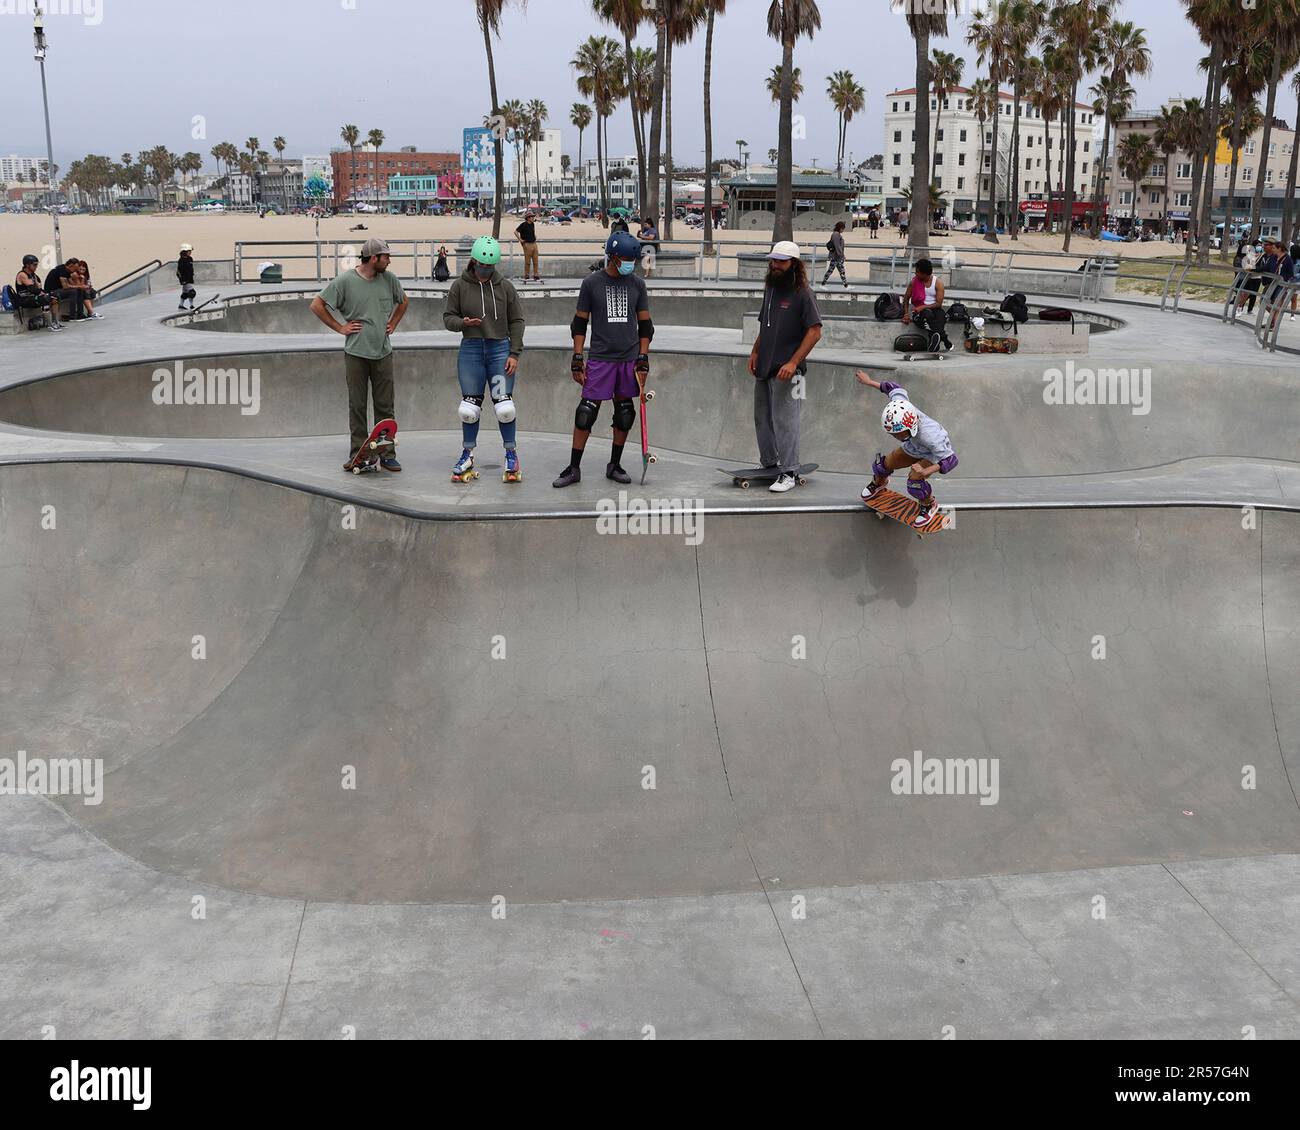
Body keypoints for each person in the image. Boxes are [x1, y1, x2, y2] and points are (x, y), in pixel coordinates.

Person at [553, 230, 652, 488]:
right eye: (626, 259)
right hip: (600, 358)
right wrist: (577, 357)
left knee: (624, 413)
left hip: (628, 359)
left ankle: (614, 465)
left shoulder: (637, 285)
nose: (631, 264)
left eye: (634, 260)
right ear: (613, 257)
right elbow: (579, 323)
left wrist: (643, 358)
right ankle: (574, 468)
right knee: (586, 413)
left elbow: (646, 326)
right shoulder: (592, 283)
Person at [310, 238, 409, 472]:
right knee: (357, 406)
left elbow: (404, 301)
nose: (389, 260)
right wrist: (340, 327)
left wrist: (393, 322)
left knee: (385, 406)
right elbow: (316, 305)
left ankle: (386, 453)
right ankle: (359, 454)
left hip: (383, 353)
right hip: (356, 353)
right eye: (386, 257)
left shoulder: (389, 279)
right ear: (373, 258)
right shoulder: (346, 281)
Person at [443, 236, 526, 484]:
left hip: (499, 350)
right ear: (473, 261)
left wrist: (514, 353)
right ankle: (467, 453)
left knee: (504, 407)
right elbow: (448, 318)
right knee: (469, 409)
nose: (486, 271)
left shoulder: (505, 287)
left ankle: (511, 454)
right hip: (471, 350)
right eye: (482, 266)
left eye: (490, 267)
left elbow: (517, 321)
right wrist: (463, 323)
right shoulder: (459, 286)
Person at [747, 241, 823, 493]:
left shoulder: (803, 292)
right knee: (762, 418)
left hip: (790, 371)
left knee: (786, 420)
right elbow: (764, 323)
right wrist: (755, 350)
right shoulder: (770, 287)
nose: (775, 265)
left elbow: (814, 332)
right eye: (773, 260)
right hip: (765, 364)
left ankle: (789, 471)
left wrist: (793, 361)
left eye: (781, 261)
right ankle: (769, 463)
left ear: (794, 264)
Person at [856, 371, 959, 530]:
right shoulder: (901, 406)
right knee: (882, 465)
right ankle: (879, 484)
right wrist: (869, 382)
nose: (894, 436)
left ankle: (929, 504)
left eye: (897, 434)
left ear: (910, 427)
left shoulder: (931, 437)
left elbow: (950, 460)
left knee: (915, 483)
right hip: (914, 447)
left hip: (932, 455)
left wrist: (926, 471)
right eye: (892, 433)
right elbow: (892, 388)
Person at [901, 257, 952, 352]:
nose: (915, 273)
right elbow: (906, 298)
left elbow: (938, 304)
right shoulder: (914, 282)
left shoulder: (938, 283)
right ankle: (945, 340)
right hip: (919, 313)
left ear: (925, 274)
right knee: (927, 315)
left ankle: (934, 344)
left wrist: (923, 306)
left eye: (918, 272)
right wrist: (906, 314)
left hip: (933, 309)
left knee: (941, 316)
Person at [14, 254, 62, 330]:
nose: (36, 267)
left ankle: (55, 321)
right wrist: (42, 292)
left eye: (36, 264)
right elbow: (33, 289)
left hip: (32, 297)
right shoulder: (22, 274)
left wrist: (45, 292)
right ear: (27, 265)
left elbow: (38, 288)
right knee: (45, 299)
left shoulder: (33, 275)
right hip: (24, 299)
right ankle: (49, 325)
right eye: (34, 265)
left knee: (55, 297)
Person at [1234, 237, 1261, 314]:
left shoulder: (1259, 255)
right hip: (1245, 278)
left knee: (1252, 294)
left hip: (1256, 278)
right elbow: (1247, 267)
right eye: (1258, 245)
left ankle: (1249, 309)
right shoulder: (1245, 257)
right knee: (1245, 293)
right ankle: (1239, 307)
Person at [515, 212, 541, 283]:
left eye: (533, 217)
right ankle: (526, 274)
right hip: (527, 244)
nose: (533, 218)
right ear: (528, 218)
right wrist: (520, 240)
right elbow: (515, 232)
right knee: (528, 261)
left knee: (535, 260)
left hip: (534, 243)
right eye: (532, 217)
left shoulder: (532, 224)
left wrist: (534, 236)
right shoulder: (523, 225)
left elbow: (532, 231)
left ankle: (536, 274)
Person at [822, 220, 849, 288]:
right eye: (843, 228)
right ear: (840, 228)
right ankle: (845, 285)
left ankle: (845, 285)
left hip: (836, 256)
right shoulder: (836, 235)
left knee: (837, 270)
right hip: (836, 257)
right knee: (838, 271)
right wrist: (841, 255)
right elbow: (837, 246)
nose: (843, 230)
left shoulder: (836, 234)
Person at [177, 244, 197, 310]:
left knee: (185, 293)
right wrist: (182, 280)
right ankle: (191, 306)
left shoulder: (190, 259)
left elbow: (191, 269)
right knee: (192, 292)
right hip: (184, 280)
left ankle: (181, 305)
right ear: (185, 251)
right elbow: (178, 272)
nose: (190, 252)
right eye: (189, 251)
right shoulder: (181, 261)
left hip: (190, 278)